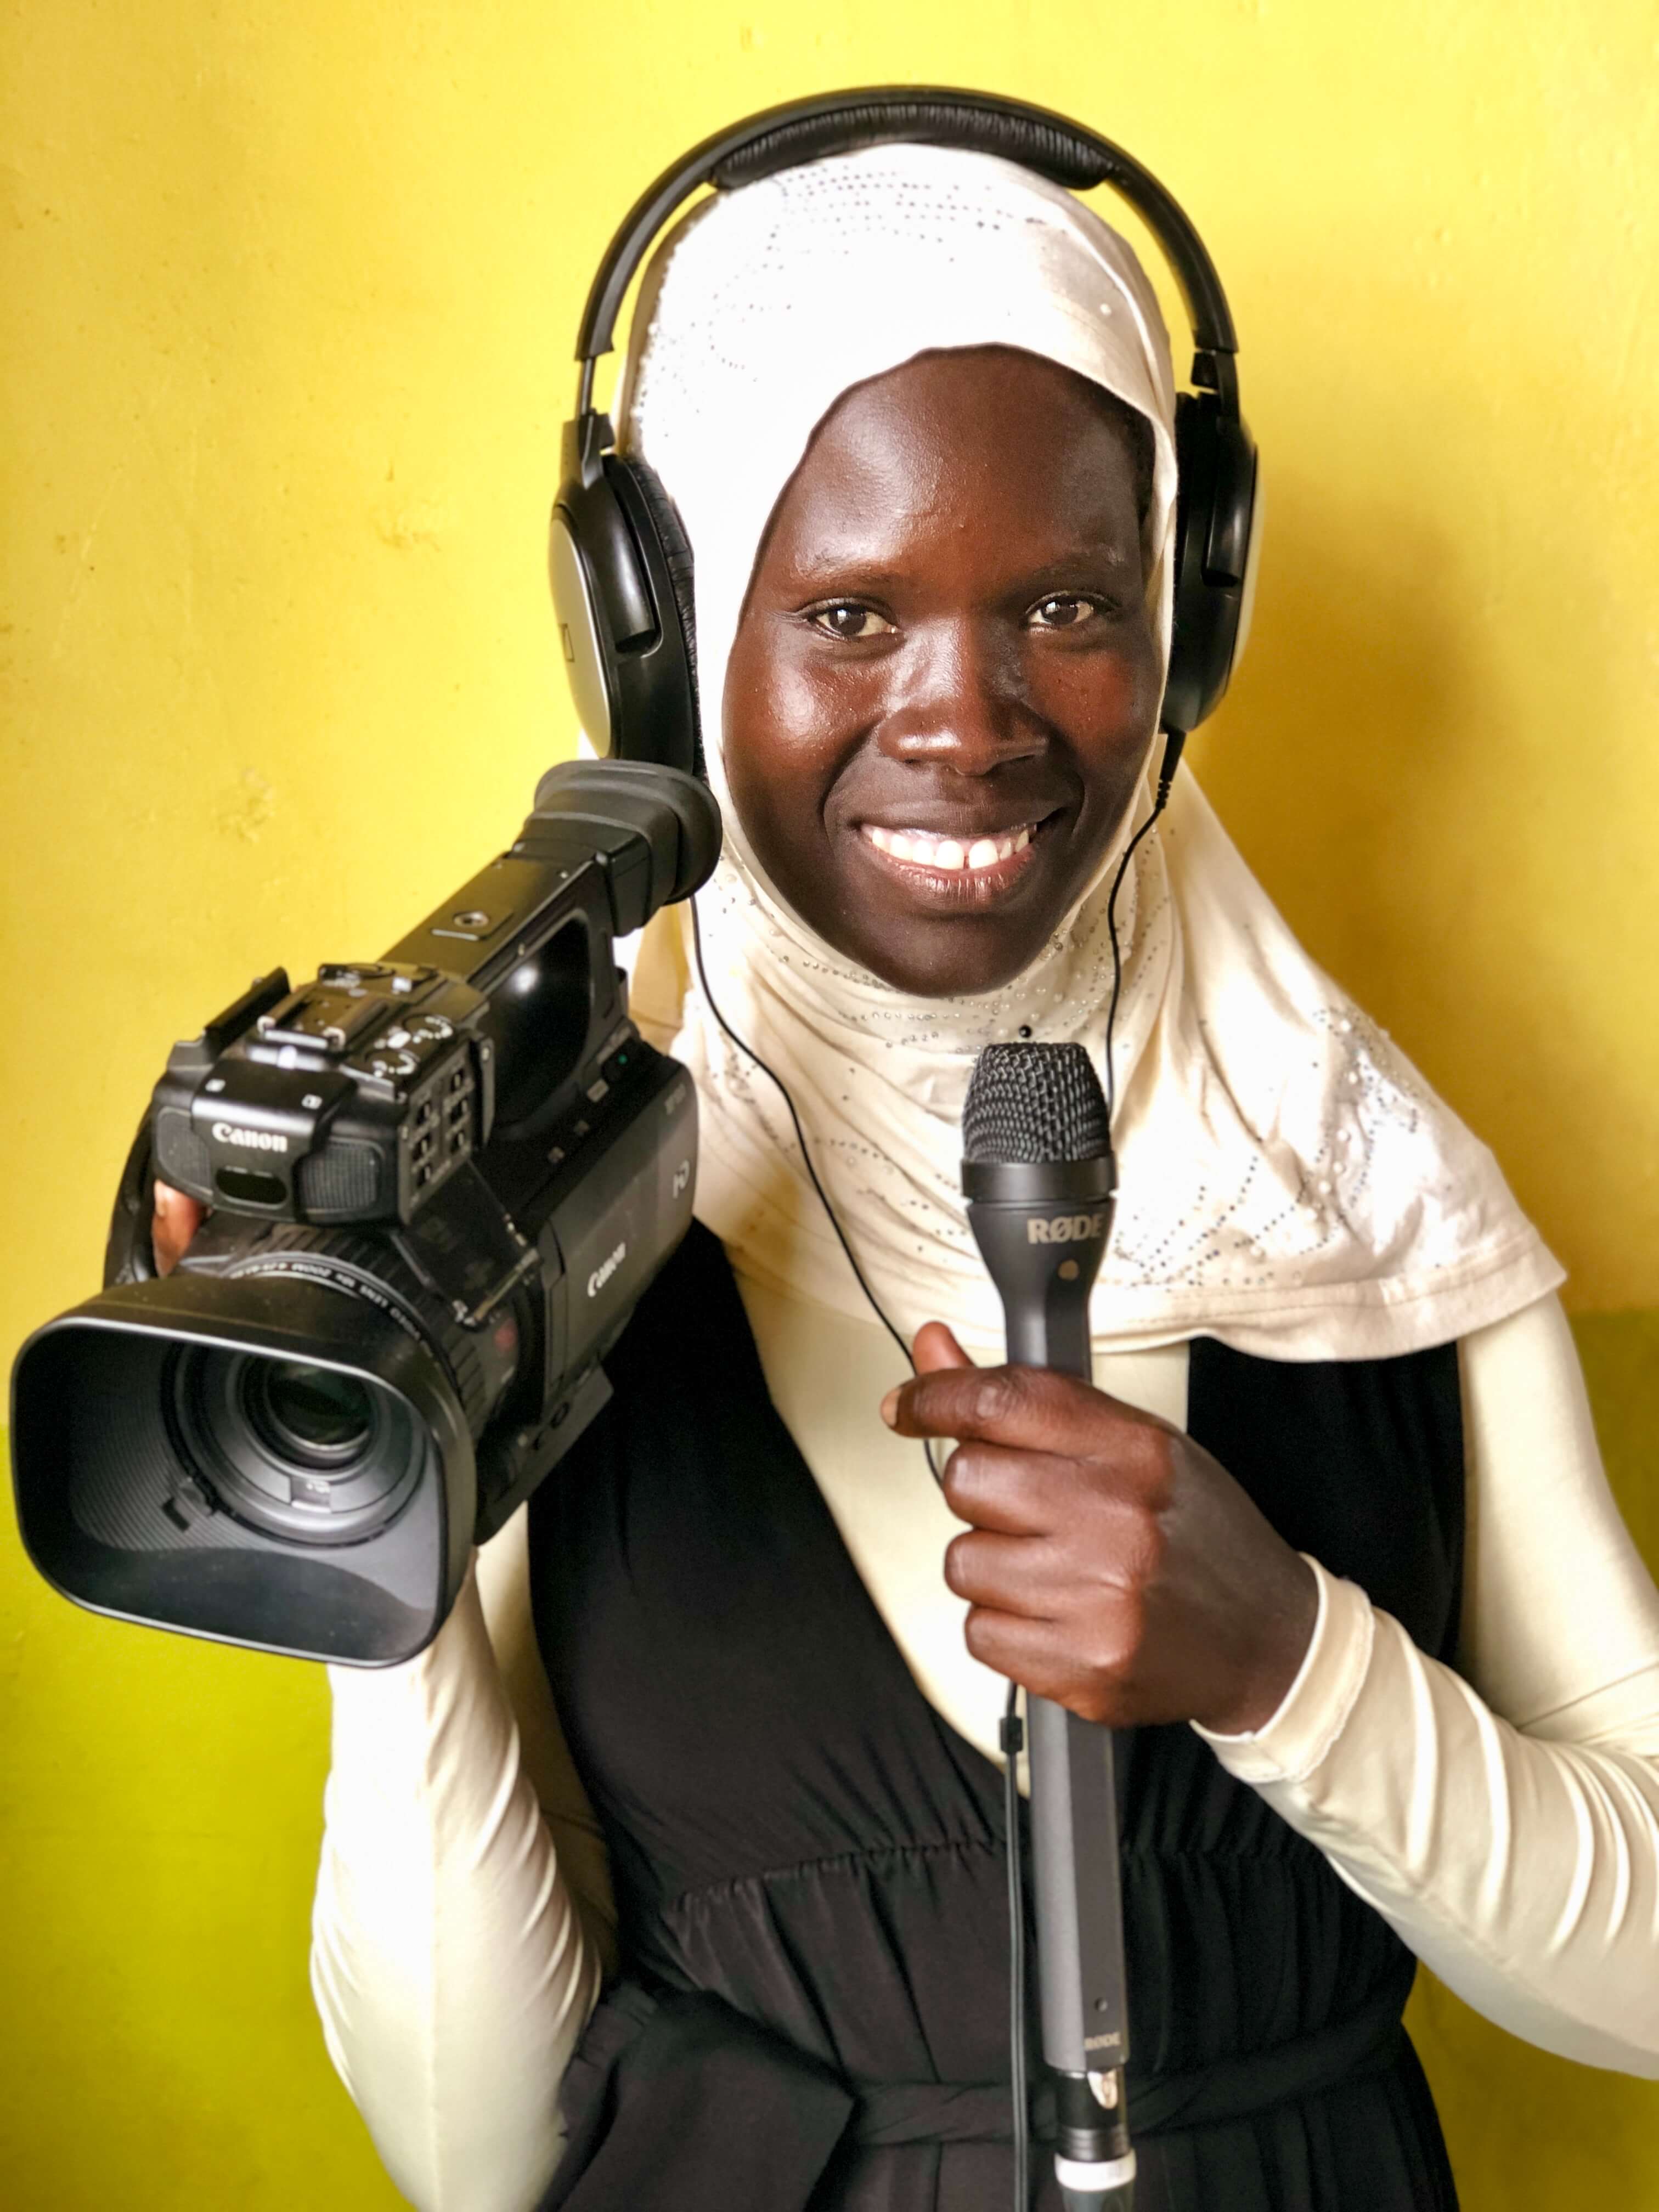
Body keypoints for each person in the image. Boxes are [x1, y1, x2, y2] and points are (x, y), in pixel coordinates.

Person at [159, 141, 1659, 2211]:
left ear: (1185, 619)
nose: (965, 721)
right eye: (850, 613)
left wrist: (1293, 1667)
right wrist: (370, 1530)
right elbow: (480, 2162)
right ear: (666, 652)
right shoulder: (540, 1229)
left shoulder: (1377, 1206)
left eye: (1067, 605)